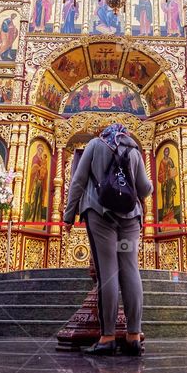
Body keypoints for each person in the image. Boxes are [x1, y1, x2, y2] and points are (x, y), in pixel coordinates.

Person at [63, 124, 152, 357]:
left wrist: (69, 216)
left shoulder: (94, 145)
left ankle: (108, 337)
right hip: (130, 219)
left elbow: (78, 181)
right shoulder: (134, 150)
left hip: (101, 217)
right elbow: (145, 188)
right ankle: (133, 336)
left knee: (108, 272)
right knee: (130, 270)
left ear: (103, 134)